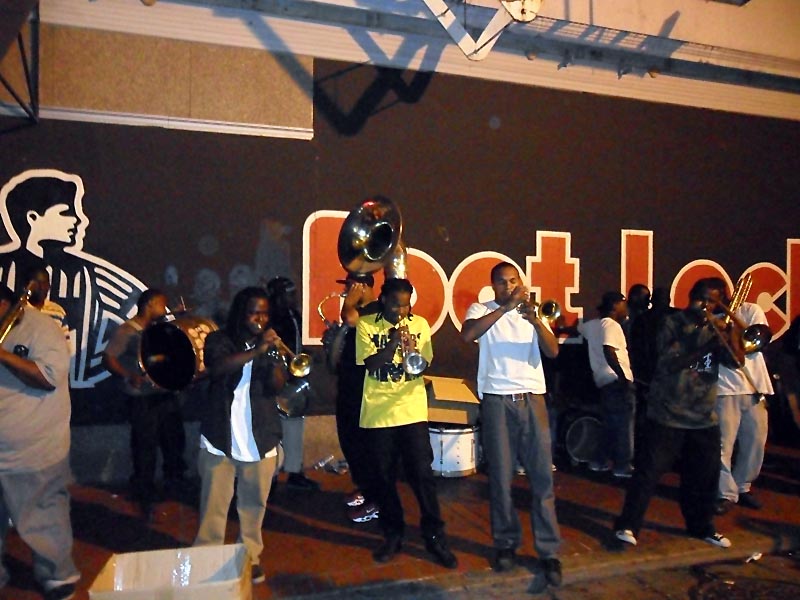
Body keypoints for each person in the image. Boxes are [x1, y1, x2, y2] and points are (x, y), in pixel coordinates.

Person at [614, 278, 739, 549]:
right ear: (691, 296)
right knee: (648, 473)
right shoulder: (673, 322)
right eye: (701, 298)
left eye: (712, 301)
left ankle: (701, 527)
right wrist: (707, 345)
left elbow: (737, 361)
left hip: (703, 416)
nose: (704, 305)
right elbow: (669, 364)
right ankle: (628, 525)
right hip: (667, 412)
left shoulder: (718, 328)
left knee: (704, 477)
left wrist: (732, 333)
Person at [460, 262, 562, 587]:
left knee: (542, 478)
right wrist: (504, 309)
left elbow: (553, 351)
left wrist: (535, 319)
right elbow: (468, 334)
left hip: (532, 399)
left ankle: (549, 552)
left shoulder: (533, 311)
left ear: (521, 282)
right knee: (501, 479)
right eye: (502, 282)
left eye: (513, 281)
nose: (509, 287)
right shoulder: (482, 308)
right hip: (497, 401)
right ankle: (505, 543)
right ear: (493, 287)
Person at [0, 170, 146, 388]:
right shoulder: (5, 271)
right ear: (33, 217)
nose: (79, 220)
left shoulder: (93, 276)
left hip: (59, 392)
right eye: (66, 212)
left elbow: (131, 309)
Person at [356, 277, 457, 568]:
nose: (401, 311)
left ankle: (434, 535)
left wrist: (412, 350)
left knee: (422, 474)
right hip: (378, 411)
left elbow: (420, 367)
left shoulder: (420, 325)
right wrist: (391, 344)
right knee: (383, 476)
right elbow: (371, 366)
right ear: (383, 301)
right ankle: (393, 533)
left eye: (406, 305)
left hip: (411, 410)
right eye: (396, 305)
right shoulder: (366, 325)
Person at [193, 286, 286, 585]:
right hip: (220, 436)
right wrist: (257, 351)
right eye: (254, 312)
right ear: (240, 313)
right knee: (213, 505)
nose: (260, 319)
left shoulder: (269, 344)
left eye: (265, 313)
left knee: (253, 506)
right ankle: (207, 559)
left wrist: (274, 359)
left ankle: (249, 557)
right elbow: (218, 368)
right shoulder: (220, 339)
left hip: (260, 436)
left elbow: (276, 386)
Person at [0, 284, 80, 600]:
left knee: (43, 520)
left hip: (33, 452)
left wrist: (2, 355)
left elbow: (47, 378)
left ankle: (58, 578)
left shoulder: (41, 328)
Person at [102, 289, 187, 517]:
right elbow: (108, 358)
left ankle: (173, 484)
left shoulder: (156, 328)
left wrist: (174, 316)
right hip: (141, 398)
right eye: (161, 305)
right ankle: (144, 490)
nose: (164, 309)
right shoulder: (127, 330)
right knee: (145, 445)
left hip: (163, 394)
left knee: (173, 441)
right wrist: (129, 375)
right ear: (150, 304)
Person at [713, 280, 773, 515]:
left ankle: (743, 485)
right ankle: (725, 493)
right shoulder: (710, 321)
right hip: (725, 390)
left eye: (717, 296)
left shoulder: (749, 310)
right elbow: (724, 357)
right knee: (723, 446)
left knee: (755, 442)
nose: (715, 301)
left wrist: (731, 328)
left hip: (754, 386)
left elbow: (758, 341)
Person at [266, 276, 319, 491]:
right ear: (277, 297)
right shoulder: (269, 319)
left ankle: (295, 471)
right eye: (289, 294)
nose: (293, 297)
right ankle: (270, 476)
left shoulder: (294, 315)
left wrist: (304, 357)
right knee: (274, 430)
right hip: (276, 379)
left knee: (294, 426)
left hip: (294, 378)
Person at [334, 272, 380, 522]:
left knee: (366, 445)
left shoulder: (375, 309)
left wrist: (349, 302)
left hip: (366, 388)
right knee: (350, 440)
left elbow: (350, 318)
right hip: (350, 383)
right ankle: (365, 488)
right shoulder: (358, 312)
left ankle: (376, 500)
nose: (347, 291)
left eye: (351, 286)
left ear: (363, 287)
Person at [577, 291, 636, 478]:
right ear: (615, 305)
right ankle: (622, 465)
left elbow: (577, 330)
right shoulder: (611, 325)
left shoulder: (592, 325)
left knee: (610, 425)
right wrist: (623, 377)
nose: (626, 308)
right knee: (624, 426)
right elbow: (608, 350)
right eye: (623, 303)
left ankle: (599, 460)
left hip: (603, 382)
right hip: (616, 380)